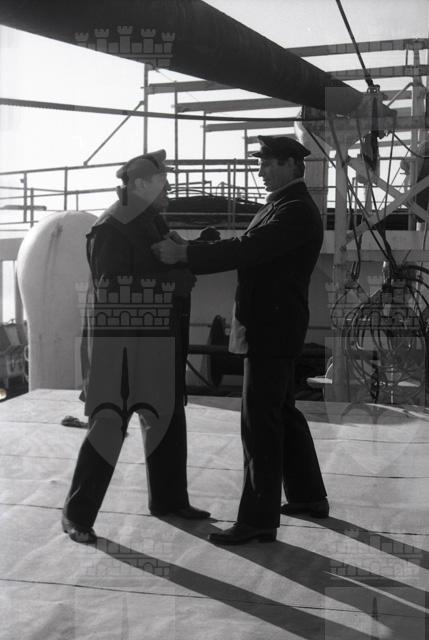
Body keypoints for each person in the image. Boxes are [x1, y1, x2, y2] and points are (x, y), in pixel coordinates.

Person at [152, 135, 329, 545]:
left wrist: (185, 255)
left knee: (259, 423)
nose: (260, 171)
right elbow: (247, 248)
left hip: (271, 328)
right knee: (281, 412)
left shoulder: (295, 210)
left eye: (268, 164)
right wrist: (193, 247)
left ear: (291, 165)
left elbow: (249, 249)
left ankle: (258, 519)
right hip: (273, 325)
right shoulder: (281, 205)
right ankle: (308, 496)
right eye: (260, 163)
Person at [62, 150, 210, 544]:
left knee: (167, 419)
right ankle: (77, 515)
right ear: (141, 185)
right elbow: (112, 291)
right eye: (162, 182)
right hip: (121, 347)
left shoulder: (150, 220)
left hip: (156, 342)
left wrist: (184, 260)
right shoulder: (111, 227)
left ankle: (169, 500)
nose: (169, 188)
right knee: (109, 427)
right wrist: (173, 283)